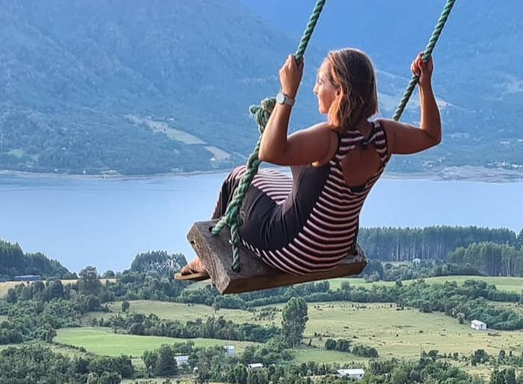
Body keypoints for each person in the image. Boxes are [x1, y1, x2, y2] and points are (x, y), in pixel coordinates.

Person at [176, 48, 441, 281]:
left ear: (339, 92)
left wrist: (287, 93)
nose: (315, 89)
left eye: (320, 82)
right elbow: (431, 135)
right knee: (280, 179)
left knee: (238, 178)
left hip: (292, 249)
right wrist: (425, 85)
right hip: (338, 250)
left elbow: (269, 152)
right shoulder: (384, 135)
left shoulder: (329, 139)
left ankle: (206, 257)